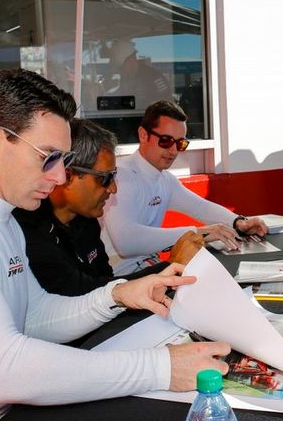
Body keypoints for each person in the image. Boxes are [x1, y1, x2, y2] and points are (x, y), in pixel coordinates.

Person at [0, 69, 230, 421]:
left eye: (62, 160)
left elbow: (34, 317)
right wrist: (161, 367)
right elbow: (0, 372)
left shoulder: (1, 219)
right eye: (48, 156)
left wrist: (116, 295)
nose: (60, 176)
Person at [13, 118, 204, 295]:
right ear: (67, 175)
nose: (113, 189)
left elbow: (105, 283)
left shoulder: (86, 221)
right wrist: (170, 267)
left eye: (114, 176)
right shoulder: (28, 229)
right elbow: (81, 293)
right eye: (105, 179)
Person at [101, 100, 267, 275]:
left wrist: (239, 222)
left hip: (149, 269)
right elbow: (127, 242)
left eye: (180, 144)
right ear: (143, 135)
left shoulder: (165, 179)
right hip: (118, 278)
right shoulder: (122, 175)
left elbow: (200, 207)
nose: (173, 151)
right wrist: (198, 232)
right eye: (166, 141)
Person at [107, 39, 173, 109]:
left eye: (122, 67)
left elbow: (165, 104)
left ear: (131, 59)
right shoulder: (126, 78)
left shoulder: (153, 76)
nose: (121, 71)